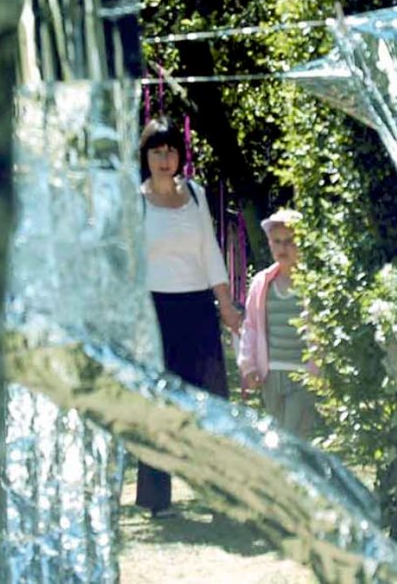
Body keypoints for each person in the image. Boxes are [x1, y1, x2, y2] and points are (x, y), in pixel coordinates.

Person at [135, 116, 243, 518]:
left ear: (180, 155)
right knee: (160, 405)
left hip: (198, 308)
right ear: (145, 156)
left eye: (171, 151)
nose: (165, 159)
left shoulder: (195, 194)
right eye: (157, 152)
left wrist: (227, 305)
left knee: (211, 405)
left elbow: (210, 253)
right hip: (154, 312)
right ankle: (156, 498)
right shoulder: (135, 201)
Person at [237, 208, 320, 440]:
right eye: (277, 242)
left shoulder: (312, 285)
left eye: (290, 241)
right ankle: (297, 475)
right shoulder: (263, 283)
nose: (283, 248)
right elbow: (251, 327)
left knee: (289, 434)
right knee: (285, 435)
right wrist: (249, 366)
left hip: (302, 373)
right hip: (270, 373)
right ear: (270, 244)